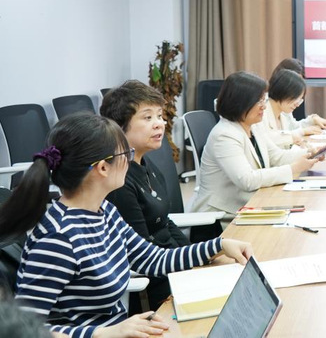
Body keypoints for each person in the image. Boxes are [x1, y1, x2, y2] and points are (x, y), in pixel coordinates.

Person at [0, 114, 252, 337]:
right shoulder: (58, 238)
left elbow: (153, 260)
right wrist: (103, 333)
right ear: (102, 168)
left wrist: (219, 245)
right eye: (125, 155)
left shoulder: (104, 211)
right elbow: (26, 329)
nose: (130, 161)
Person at [100, 80, 189, 309]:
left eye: (159, 116)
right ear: (119, 127)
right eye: (147, 117)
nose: (159, 124)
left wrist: (195, 257)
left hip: (171, 266)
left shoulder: (147, 165)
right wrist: (188, 264)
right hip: (154, 285)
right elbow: (142, 254)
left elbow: (165, 223)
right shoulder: (119, 183)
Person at [192, 71, 324, 219]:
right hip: (220, 216)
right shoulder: (224, 135)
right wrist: (293, 168)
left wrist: (309, 154)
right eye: (259, 101)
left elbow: (275, 156)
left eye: (263, 100)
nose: (264, 107)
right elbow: (247, 180)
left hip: (248, 206)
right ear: (240, 102)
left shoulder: (253, 126)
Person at [264, 68, 326, 148]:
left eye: (300, 100)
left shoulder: (282, 114)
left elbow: (289, 136)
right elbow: (270, 142)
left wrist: (307, 149)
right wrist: (302, 133)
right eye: (296, 98)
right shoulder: (262, 113)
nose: (297, 105)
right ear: (283, 91)